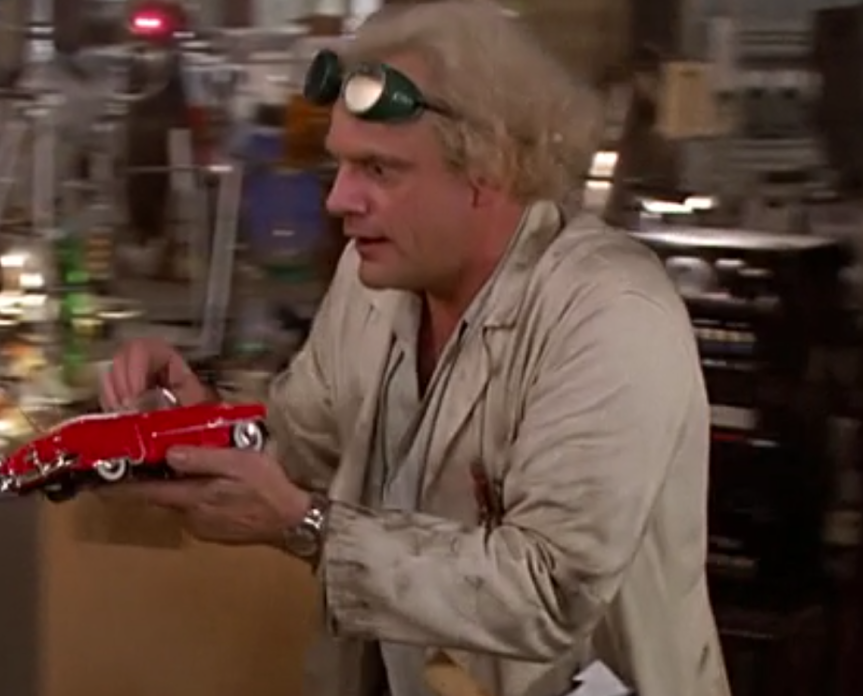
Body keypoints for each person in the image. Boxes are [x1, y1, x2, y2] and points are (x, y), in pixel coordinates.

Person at [100, 2, 731, 696]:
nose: (339, 200)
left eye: (379, 169)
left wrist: (310, 528)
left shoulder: (611, 311)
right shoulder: (373, 280)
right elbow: (301, 444)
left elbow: (549, 592)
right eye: (341, 165)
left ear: (487, 171)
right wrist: (201, 427)